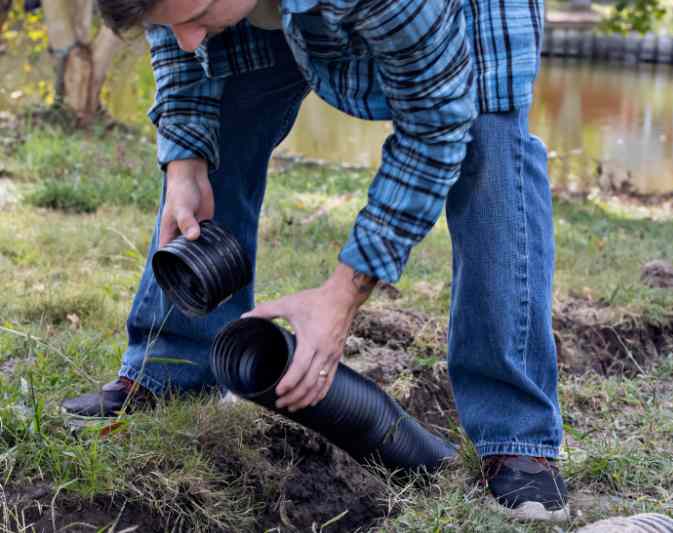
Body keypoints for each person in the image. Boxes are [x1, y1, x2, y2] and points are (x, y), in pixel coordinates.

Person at [62, 0, 568, 522]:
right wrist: (185, 157)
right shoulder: (190, 12)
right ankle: (176, 366)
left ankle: (517, 435)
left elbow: (437, 125)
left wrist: (343, 295)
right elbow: (175, 34)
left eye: (196, 14)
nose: (185, 38)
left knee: (488, 148)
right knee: (223, 110)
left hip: (453, 18)